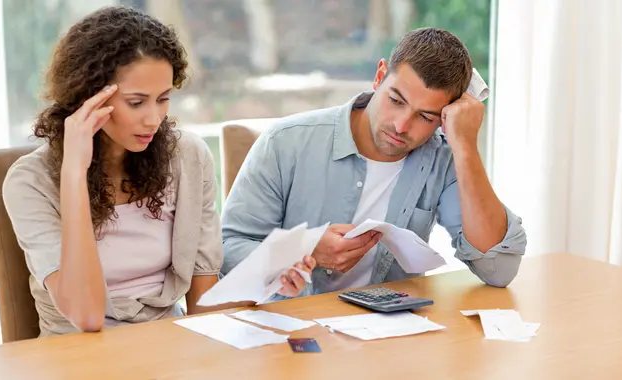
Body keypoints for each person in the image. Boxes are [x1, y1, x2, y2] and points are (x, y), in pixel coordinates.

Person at [2, 6, 313, 336]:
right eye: (136, 102)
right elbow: (87, 316)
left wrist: (266, 282)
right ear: (87, 98)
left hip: (167, 348)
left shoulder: (187, 159)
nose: (154, 118)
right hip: (74, 356)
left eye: (163, 99)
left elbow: (202, 306)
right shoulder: (30, 182)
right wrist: (75, 173)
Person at [221, 28, 527, 299]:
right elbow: (225, 250)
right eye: (396, 100)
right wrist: (303, 247)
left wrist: (466, 146)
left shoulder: (442, 159)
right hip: (291, 339)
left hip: (386, 341)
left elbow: (498, 270)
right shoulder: (285, 142)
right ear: (380, 76)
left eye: (426, 116)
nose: (401, 126)